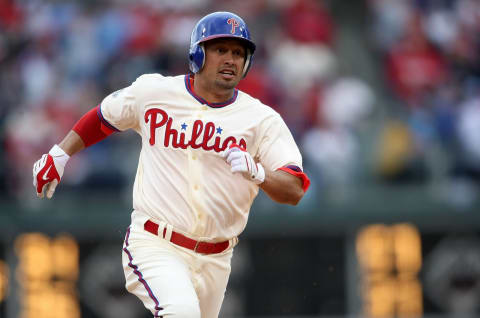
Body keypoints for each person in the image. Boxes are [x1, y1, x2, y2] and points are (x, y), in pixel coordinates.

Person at [32, 11, 310, 318]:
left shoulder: (262, 119)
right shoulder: (155, 92)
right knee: (180, 313)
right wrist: (60, 153)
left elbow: (294, 189)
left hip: (218, 258)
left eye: (238, 52)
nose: (230, 59)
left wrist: (259, 173)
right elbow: (103, 118)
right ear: (198, 54)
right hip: (156, 241)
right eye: (220, 50)